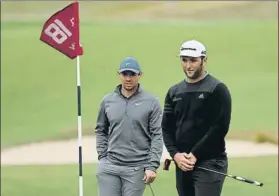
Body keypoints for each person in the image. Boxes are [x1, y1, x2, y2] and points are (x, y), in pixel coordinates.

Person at [161, 40, 232, 196]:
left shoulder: (217, 89)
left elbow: (220, 127)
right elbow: (166, 128)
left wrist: (195, 154)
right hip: (182, 163)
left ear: (203, 60)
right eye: (184, 60)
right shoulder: (174, 92)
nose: (188, 65)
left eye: (193, 60)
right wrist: (176, 155)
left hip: (210, 161)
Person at [95, 56, 163, 196]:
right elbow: (101, 130)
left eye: (132, 74)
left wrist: (152, 166)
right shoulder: (108, 101)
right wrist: (102, 156)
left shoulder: (151, 101)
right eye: (124, 74)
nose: (128, 78)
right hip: (110, 166)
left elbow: (157, 135)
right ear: (119, 75)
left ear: (140, 75)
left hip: (136, 169)